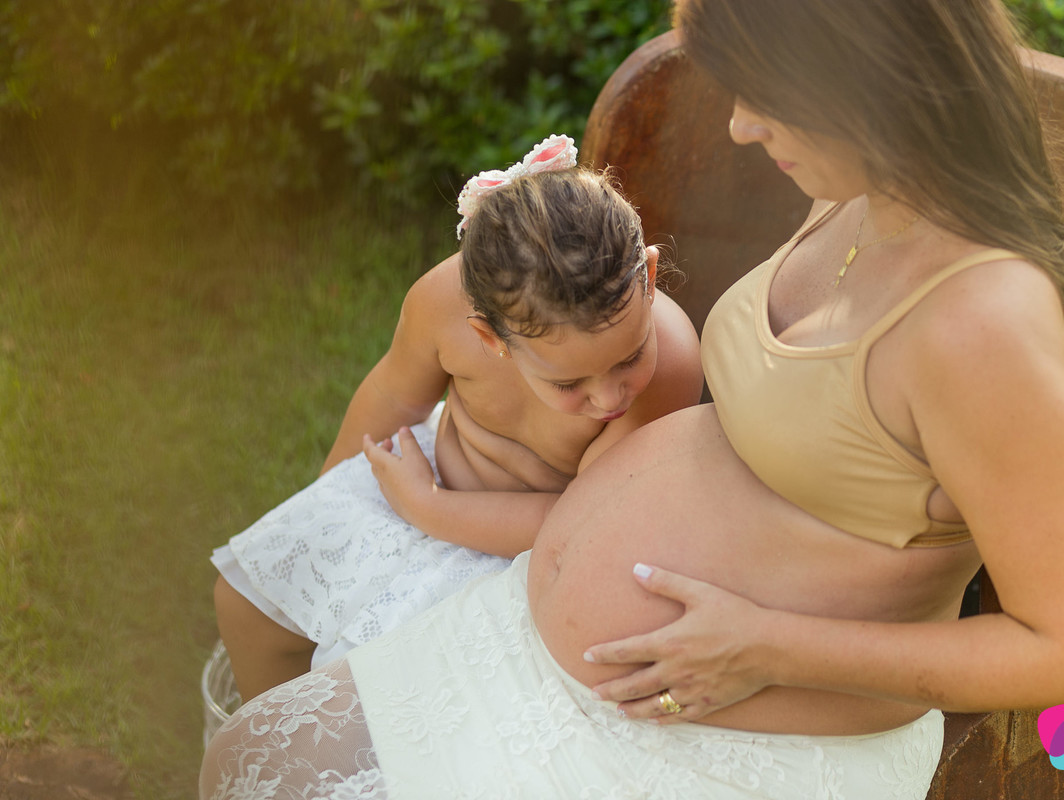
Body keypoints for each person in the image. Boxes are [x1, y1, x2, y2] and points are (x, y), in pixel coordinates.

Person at [200, 1, 1064, 797]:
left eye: (763, 93)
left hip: (738, 729)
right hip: (568, 658)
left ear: (860, 82)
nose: (739, 124)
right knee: (251, 759)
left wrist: (768, 648)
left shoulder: (980, 324)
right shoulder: (859, 201)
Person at [210, 134, 704, 702]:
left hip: (532, 551)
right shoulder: (443, 302)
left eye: (628, 356)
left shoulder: (669, 360)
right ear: (489, 338)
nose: (609, 395)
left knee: (381, 682)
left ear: (649, 274)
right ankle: (279, 765)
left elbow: (587, 520)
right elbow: (393, 397)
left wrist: (430, 509)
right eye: (568, 383)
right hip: (427, 485)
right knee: (245, 602)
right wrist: (328, 502)